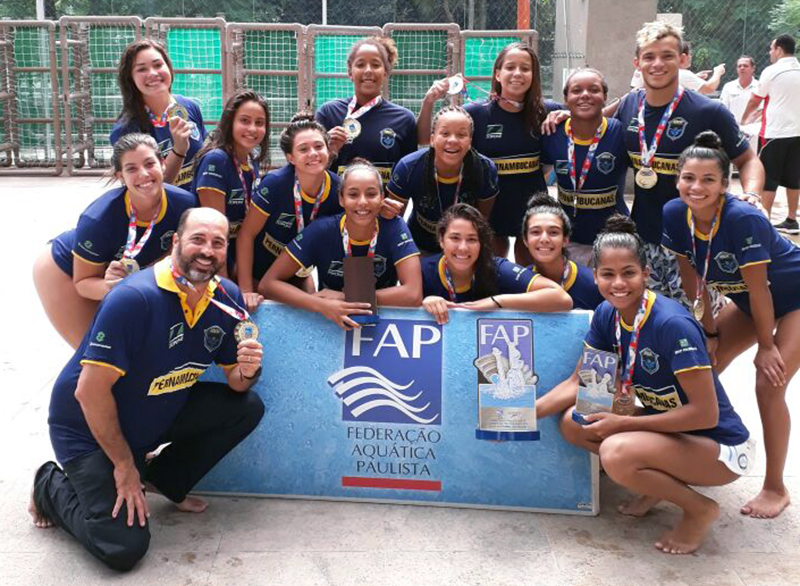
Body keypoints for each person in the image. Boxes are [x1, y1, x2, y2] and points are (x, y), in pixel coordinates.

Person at [29, 207, 265, 571]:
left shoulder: (226, 297)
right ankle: (49, 485)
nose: (207, 250)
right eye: (197, 239)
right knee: (122, 548)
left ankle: (163, 479)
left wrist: (249, 370)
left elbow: (236, 380)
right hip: (87, 429)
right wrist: (124, 467)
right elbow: (88, 393)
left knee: (246, 406)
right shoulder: (133, 299)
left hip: (154, 410)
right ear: (175, 243)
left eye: (217, 243)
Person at [537, 214, 752, 555]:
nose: (618, 283)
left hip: (720, 446)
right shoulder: (607, 315)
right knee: (573, 423)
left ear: (646, 274)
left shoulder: (672, 324)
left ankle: (699, 509)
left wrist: (624, 422)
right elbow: (584, 383)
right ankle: (658, 482)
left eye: (629, 273)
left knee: (616, 452)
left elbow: (705, 415)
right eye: (608, 274)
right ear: (595, 276)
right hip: (674, 434)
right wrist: (524, 413)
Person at [662, 131, 800, 519]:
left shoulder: (743, 219)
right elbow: (692, 280)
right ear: (677, 179)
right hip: (747, 299)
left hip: (790, 298)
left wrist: (767, 347)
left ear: (726, 184)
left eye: (709, 179)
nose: (697, 187)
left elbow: (760, 291)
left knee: (768, 383)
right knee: (698, 371)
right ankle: (693, 459)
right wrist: (707, 331)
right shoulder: (675, 213)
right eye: (689, 177)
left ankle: (775, 486)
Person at [609, 21, 763, 302]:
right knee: (656, 324)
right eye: (649, 57)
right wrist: (560, 117)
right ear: (637, 63)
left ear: (682, 59)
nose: (658, 64)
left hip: (698, 244)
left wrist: (751, 193)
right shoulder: (628, 106)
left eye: (667, 55)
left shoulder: (710, 111)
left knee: (703, 326)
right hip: (646, 241)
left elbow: (748, 159)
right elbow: (591, 121)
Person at [33, 133, 197, 349]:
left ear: (163, 164)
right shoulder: (98, 218)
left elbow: (177, 252)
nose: (144, 174)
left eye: (150, 163)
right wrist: (116, 286)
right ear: (120, 176)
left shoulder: (185, 203)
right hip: (65, 269)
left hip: (125, 274)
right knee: (96, 353)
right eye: (131, 169)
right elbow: (83, 283)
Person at [417, 43, 560, 264]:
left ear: (534, 75)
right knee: (492, 271)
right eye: (510, 67)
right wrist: (428, 102)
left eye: (525, 68)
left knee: (529, 274)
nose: (517, 74)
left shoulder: (547, 111)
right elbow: (426, 140)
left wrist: (565, 114)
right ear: (497, 74)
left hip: (532, 205)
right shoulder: (476, 113)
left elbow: (588, 116)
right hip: (489, 206)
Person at [258, 159, 422, 330]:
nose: (363, 202)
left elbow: (413, 293)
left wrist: (346, 299)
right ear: (341, 199)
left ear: (382, 197)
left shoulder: (394, 226)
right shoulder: (322, 230)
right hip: (330, 324)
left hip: (383, 326)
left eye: (371, 194)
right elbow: (268, 284)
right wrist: (319, 304)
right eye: (353, 194)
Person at [236, 113, 342, 311]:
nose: (313, 153)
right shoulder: (275, 184)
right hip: (257, 275)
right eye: (303, 149)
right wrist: (245, 290)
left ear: (328, 150)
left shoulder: (339, 189)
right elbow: (246, 235)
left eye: (319, 146)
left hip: (297, 277)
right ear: (290, 157)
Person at [421, 203, 572, 325]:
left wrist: (497, 301)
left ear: (482, 243)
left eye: (472, 239)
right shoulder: (424, 270)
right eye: (455, 238)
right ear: (441, 239)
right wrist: (423, 303)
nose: (463, 247)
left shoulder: (497, 268)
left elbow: (562, 298)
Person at [540, 68, 629, 265]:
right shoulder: (552, 132)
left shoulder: (619, 132)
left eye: (594, 90)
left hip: (613, 238)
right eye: (577, 90)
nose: (585, 95)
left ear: (605, 96)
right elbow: (542, 175)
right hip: (568, 238)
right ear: (565, 98)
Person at [386, 106, 498, 253]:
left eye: (461, 135)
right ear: (432, 139)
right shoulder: (408, 167)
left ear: (470, 141)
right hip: (419, 246)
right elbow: (394, 222)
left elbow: (481, 221)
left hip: (462, 249)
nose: (452, 140)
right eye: (445, 133)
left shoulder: (485, 169)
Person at [315, 36, 417, 183]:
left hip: (382, 205)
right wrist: (327, 151)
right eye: (360, 65)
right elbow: (311, 171)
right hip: (337, 205)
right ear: (350, 72)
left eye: (375, 65)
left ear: (386, 72)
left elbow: (408, 177)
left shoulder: (404, 119)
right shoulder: (328, 113)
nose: (368, 71)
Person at [191, 90, 270, 276]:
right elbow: (215, 233)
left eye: (259, 123)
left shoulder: (251, 161)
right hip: (212, 258)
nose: (252, 128)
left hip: (238, 253)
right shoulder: (216, 160)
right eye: (244, 120)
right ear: (230, 122)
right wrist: (225, 288)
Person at [111, 39, 208, 188]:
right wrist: (179, 149)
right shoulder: (125, 130)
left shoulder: (190, 106)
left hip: (200, 205)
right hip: (164, 208)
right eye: (142, 69)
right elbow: (149, 185)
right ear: (131, 78)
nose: (153, 73)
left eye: (158, 65)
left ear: (168, 67)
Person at [741, 34, 800, 233]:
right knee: (794, 178)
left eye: (771, 48)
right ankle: (792, 220)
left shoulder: (772, 71)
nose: (770, 52)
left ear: (779, 49)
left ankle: (763, 221)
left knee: (768, 178)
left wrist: (744, 119)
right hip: (797, 132)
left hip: (775, 132)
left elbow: (755, 99)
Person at [523, 192, 604, 310]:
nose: (544, 239)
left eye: (553, 232)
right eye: (535, 232)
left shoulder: (594, 285)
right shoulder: (519, 281)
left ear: (565, 240)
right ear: (525, 240)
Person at [630, 40, 726, 95]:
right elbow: (709, 88)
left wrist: (695, 77)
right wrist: (718, 72)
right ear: (682, 57)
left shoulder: (643, 71)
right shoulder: (682, 74)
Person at [718, 55, 761, 149]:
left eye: (745, 66)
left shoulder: (760, 87)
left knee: (750, 161)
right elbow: (723, 109)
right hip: (732, 130)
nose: (742, 68)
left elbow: (761, 112)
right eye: (739, 66)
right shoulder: (728, 87)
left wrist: (747, 127)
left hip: (753, 133)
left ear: (753, 68)